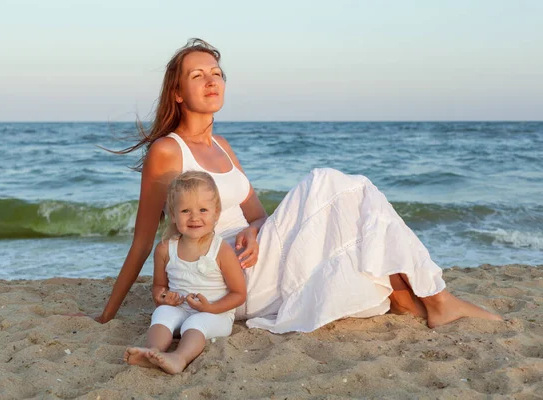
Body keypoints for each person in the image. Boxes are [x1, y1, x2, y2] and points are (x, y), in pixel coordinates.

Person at [82, 38, 501, 333]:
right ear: (177, 92)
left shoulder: (222, 147)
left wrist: (254, 230)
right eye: (197, 75)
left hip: (253, 256)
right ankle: (437, 300)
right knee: (330, 184)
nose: (211, 81)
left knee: (346, 205)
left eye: (216, 72)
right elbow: (141, 242)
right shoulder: (167, 151)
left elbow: (259, 217)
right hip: (224, 279)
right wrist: (106, 316)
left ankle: (410, 297)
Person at [123, 171, 246, 374]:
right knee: (162, 313)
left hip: (214, 315)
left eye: (203, 210)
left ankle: (179, 358)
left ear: (216, 213)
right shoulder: (165, 249)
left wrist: (211, 307)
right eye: (185, 211)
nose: (194, 217)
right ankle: (153, 352)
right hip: (180, 309)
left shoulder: (220, 250)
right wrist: (164, 298)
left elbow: (239, 293)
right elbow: (159, 287)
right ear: (173, 214)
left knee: (196, 322)